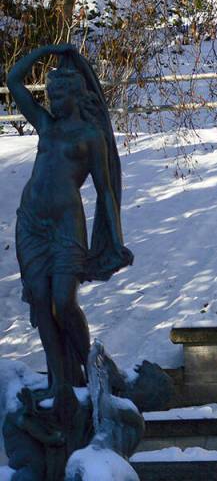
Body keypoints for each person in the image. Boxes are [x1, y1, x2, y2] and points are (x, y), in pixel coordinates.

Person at [7, 44, 133, 397]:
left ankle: (87, 365)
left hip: (66, 225)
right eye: (50, 95)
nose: (53, 102)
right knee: (41, 302)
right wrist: (46, 50)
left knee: (63, 301)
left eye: (58, 96)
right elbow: (13, 80)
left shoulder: (92, 137)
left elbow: (105, 191)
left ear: (76, 95)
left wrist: (115, 238)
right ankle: (59, 381)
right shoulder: (46, 125)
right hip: (30, 222)